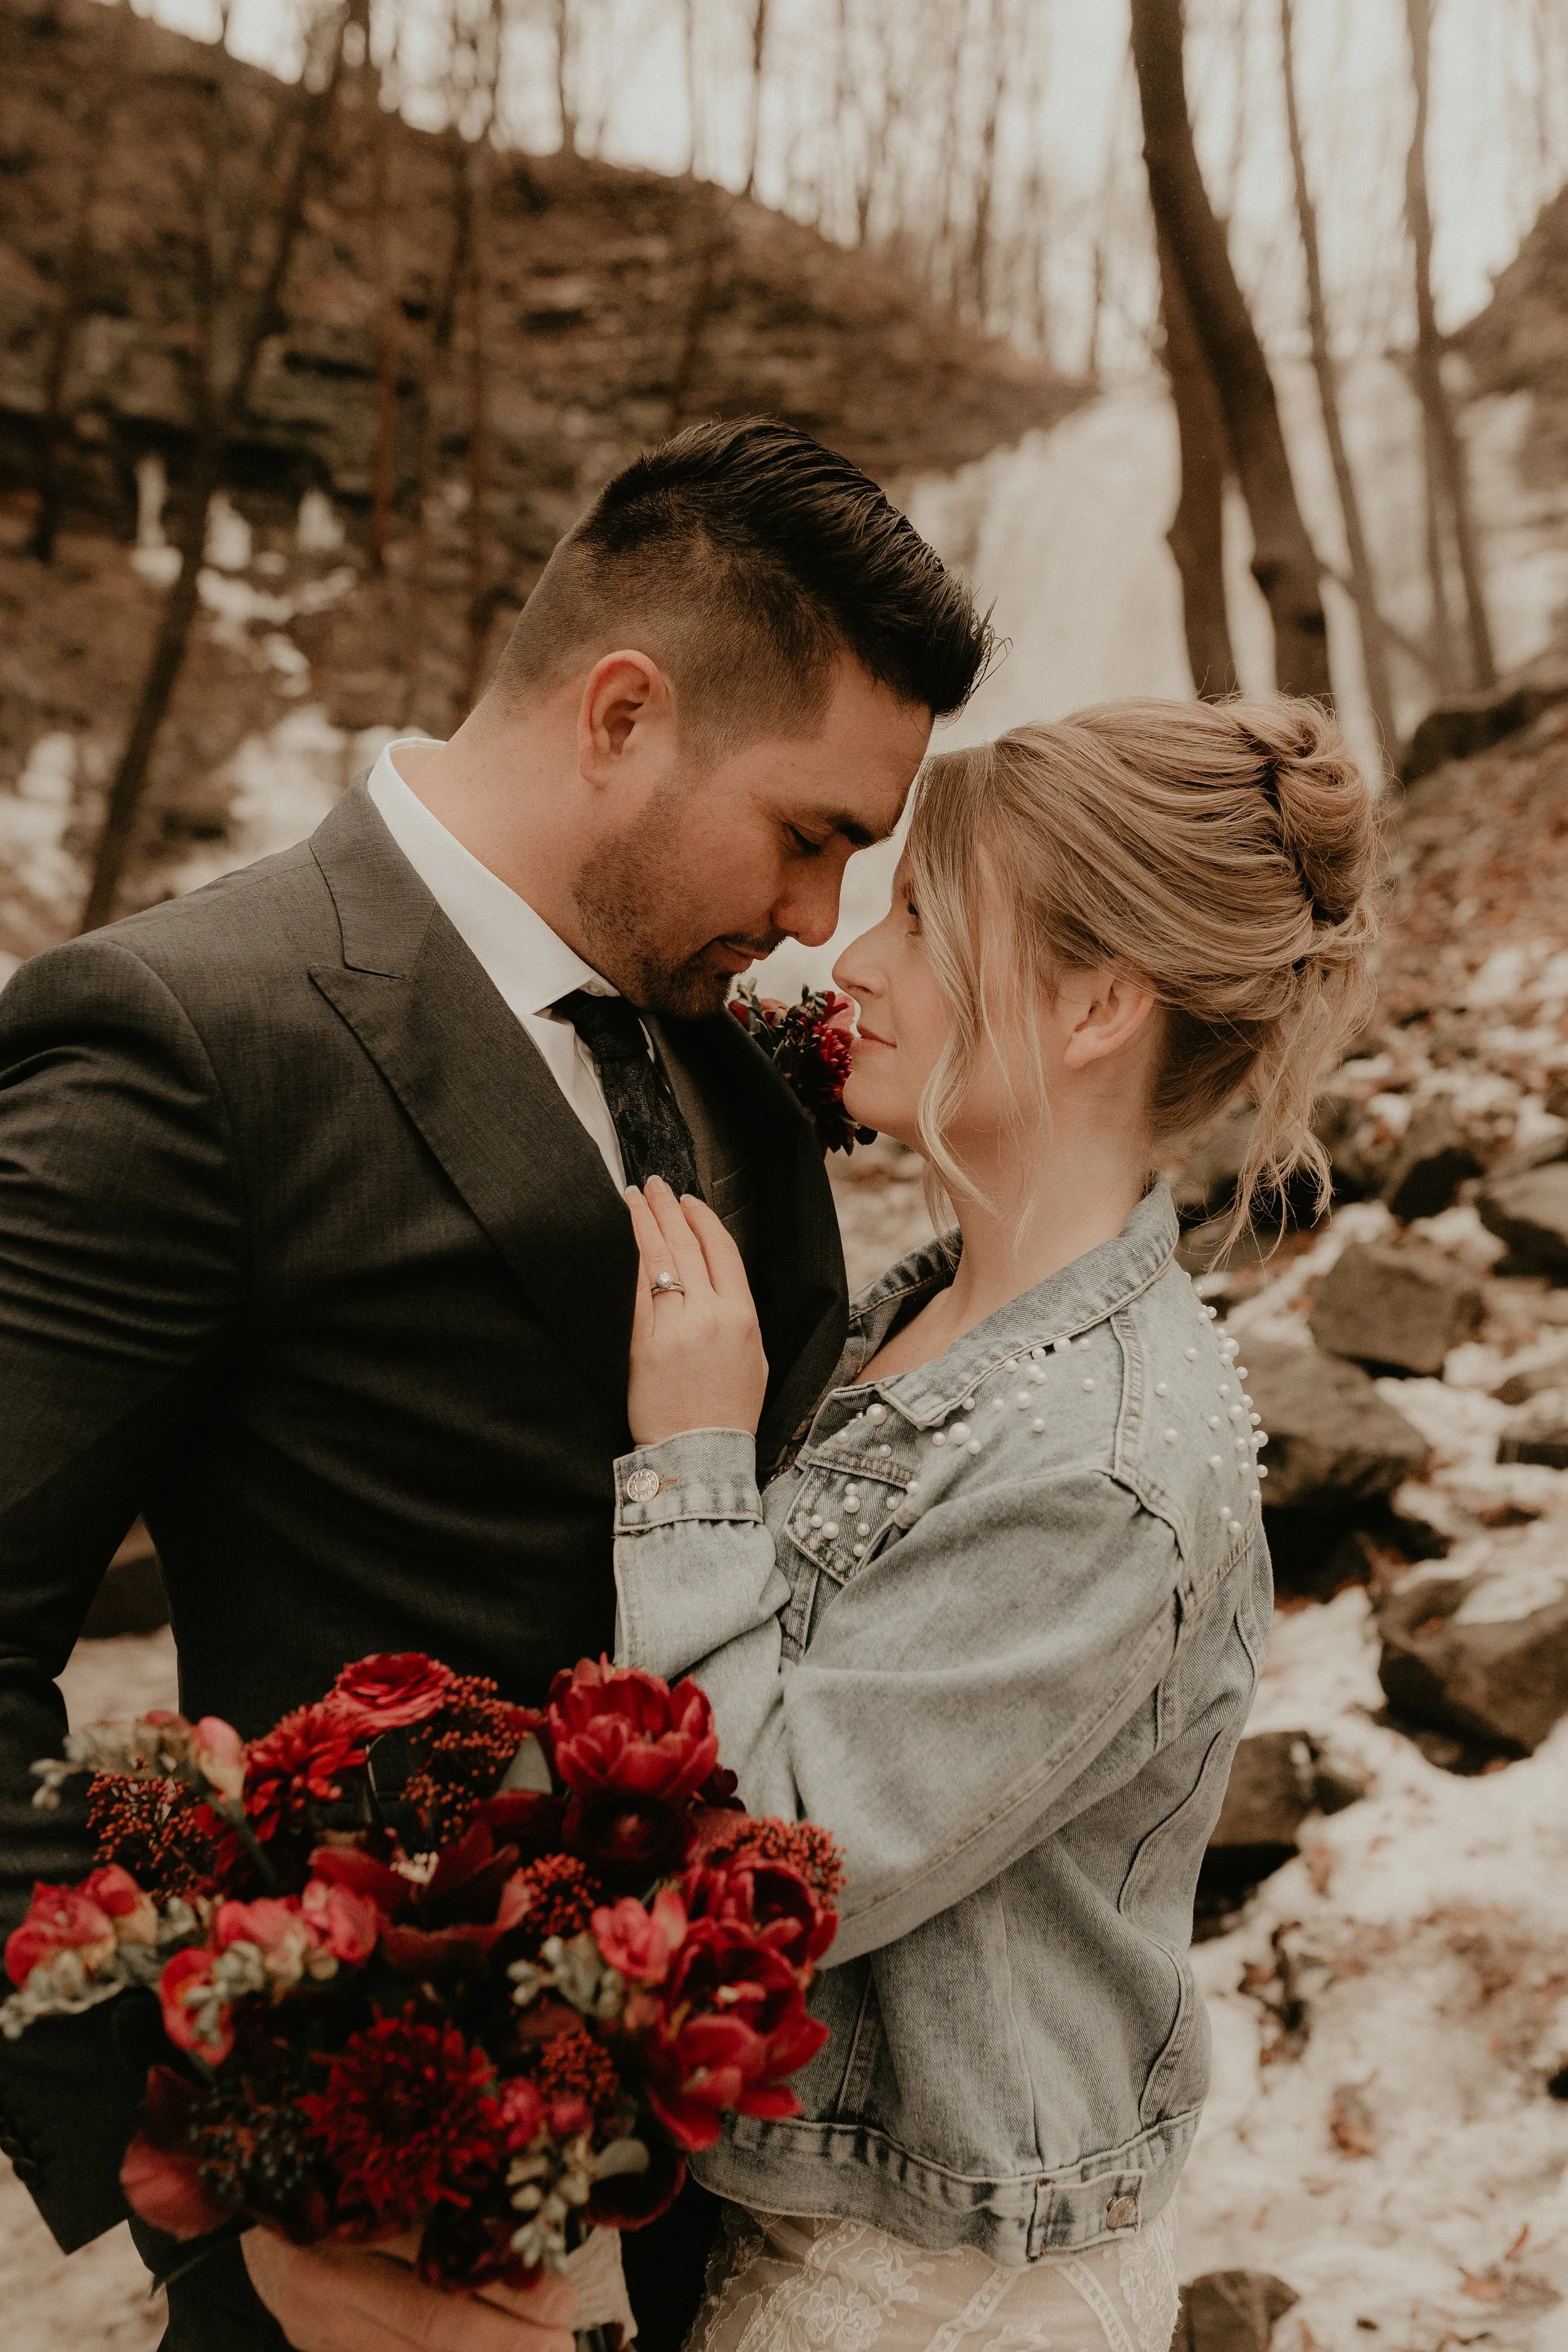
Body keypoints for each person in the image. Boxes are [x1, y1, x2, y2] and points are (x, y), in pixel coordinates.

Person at [0, 419, 991, 2352]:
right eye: (810, 834)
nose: (814, 920)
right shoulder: (184, 1038)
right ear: (623, 713)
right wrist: (206, 2188)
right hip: (367, 2246)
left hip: (733, 2235)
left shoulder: (723, 1061)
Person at [613, 697, 1380, 2352]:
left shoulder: (1100, 1462)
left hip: (919, 2296)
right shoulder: (932, 1318)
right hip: (808, 2228)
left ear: (1097, 1004)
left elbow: (764, 1871)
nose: (850, 962)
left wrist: (684, 1459)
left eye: (917, 920)